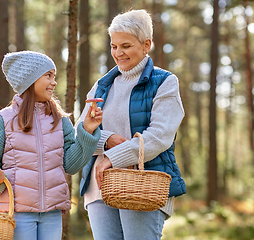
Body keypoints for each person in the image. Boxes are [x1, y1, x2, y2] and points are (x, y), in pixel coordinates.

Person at [76, 9, 186, 240]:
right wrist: (107, 141)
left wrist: (112, 157)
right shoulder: (102, 85)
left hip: (143, 185)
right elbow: (80, 132)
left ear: (146, 45)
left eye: (125, 46)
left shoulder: (164, 82)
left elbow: (158, 137)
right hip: (99, 189)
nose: (118, 53)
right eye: (114, 46)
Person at [0, 51, 103, 240]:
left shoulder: (60, 120)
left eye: (55, 76)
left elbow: (71, 165)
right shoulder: (2, 121)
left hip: (52, 213)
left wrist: (88, 132)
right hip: (16, 212)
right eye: (48, 76)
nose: (54, 82)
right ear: (30, 80)